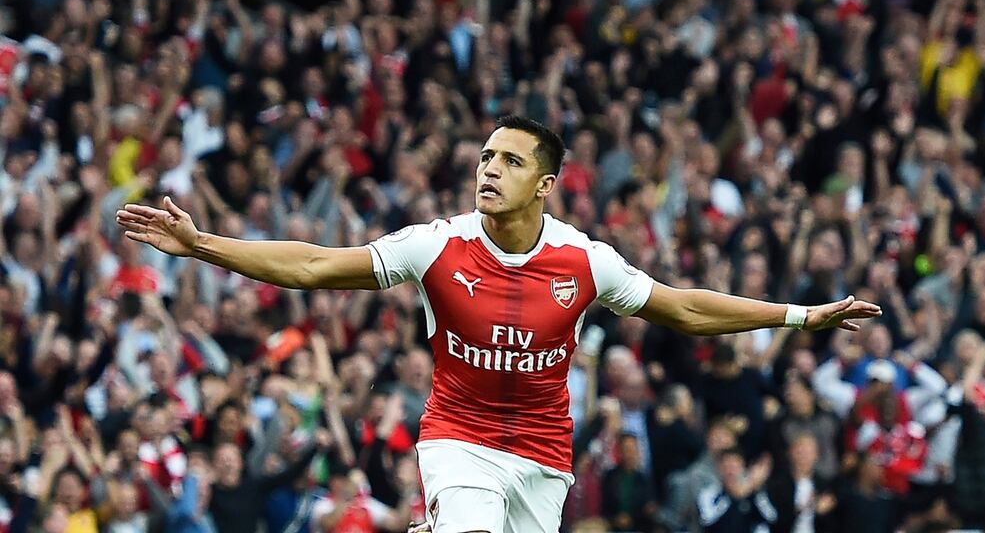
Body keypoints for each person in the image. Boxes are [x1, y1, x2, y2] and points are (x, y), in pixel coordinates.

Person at [116, 115, 881, 533]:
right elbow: (315, 265)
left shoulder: (585, 263)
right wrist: (201, 244)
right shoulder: (435, 245)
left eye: (510, 161)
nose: (489, 168)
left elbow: (682, 306)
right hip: (458, 440)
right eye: (485, 155)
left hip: (544, 457)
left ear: (545, 185)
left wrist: (801, 314)